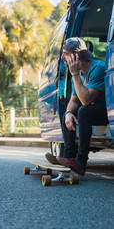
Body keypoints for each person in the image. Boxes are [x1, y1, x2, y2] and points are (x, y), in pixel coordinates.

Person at [45, 37, 108, 175]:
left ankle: (80, 162)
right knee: (68, 113)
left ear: (76, 55)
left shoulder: (97, 68)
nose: (62, 57)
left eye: (65, 53)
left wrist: (74, 74)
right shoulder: (78, 73)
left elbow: (85, 100)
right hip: (93, 109)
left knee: (83, 110)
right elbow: (74, 100)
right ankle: (68, 156)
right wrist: (68, 113)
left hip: (108, 110)